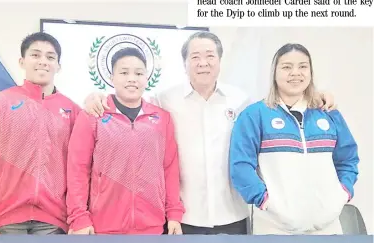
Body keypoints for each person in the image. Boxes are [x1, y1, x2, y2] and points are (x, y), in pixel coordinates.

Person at [83, 32, 336, 235]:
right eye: (195, 57)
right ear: (185, 63)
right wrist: (94, 97)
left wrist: (318, 96)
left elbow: (278, 104)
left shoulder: (241, 100)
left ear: (219, 60)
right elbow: (130, 103)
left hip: (233, 214)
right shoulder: (164, 100)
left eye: (209, 56)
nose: (203, 63)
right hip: (184, 218)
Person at [229, 43, 359, 235]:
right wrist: (265, 201)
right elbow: (240, 166)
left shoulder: (329, 114)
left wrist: (342, 193)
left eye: (303, 66)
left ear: (310, 72)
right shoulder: (254, 115)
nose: (295, 73)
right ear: (274, 72)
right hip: (274, 227)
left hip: (328, 227)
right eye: (287, 67)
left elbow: (348, 158)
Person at [0, 32, 81, 235]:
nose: (43, 61)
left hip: (54, 223)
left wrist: (78, 218)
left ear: (58, 66)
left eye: (50, 57)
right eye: (35, 55)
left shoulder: (73, 111)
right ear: (22, 61)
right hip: (5, 221)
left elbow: (79, 170)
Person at [66, 47, 184, 235]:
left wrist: (174, 214)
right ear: (112, 78)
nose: (132, 78)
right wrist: (79, 217)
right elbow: (77, 169)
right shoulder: (93, 115)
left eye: (138, 73)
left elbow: (169, 168)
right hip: (103, 227)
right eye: (124, 72)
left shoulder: (162, 118)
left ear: (147, 78)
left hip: (152, 227)